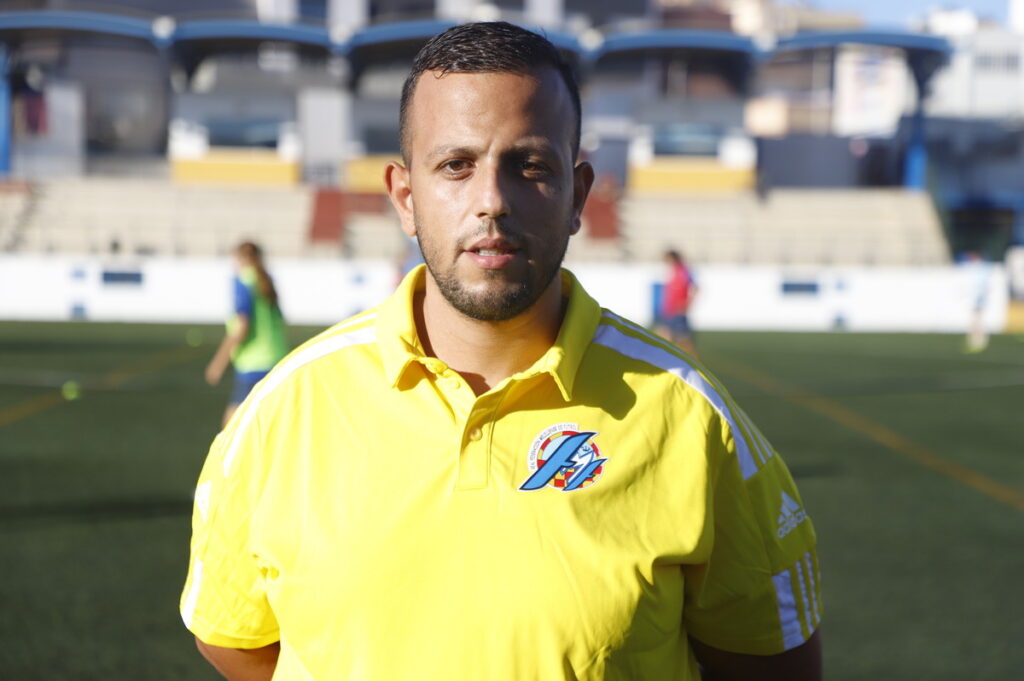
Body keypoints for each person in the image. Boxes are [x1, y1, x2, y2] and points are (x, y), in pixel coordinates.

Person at [181, 22, 822, 681]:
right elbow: (236, 640)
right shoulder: (283, 411)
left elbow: (773, 665)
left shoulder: (692, 419)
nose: (491, 201)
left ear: (577, 193)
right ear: (405, 196)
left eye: (531, 166)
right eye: (456, 165)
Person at [204, 241, 288, 427]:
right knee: (270, 425)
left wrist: (218, 363)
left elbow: (242, 325)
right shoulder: (266, 280)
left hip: (253, 364)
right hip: (277, 360)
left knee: (230, 429)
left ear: (240, 259)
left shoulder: (243, 281)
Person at [658, 249, 699, 355]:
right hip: (669, 310)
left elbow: (695, 287)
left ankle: (694, 363)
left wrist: (687, 304)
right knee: (665, 335)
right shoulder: (673, 271)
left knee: (683, 340)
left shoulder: (683, 271)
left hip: (678, 310)